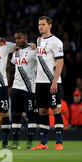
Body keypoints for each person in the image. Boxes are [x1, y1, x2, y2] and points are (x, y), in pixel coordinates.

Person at [31, 16, 65, 150]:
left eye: (43, 24)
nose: (40, 27)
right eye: (39, 25)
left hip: (52, 82)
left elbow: (60, 62)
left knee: (56, 110)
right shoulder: (39, 40)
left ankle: (59, 142)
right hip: (40, 83)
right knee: (43, 111)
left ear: (50, 26)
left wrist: (55, 82)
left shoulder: (56, 42)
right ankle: (43, 143)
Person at [9, 29, 38, 149]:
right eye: (15, 38)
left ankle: (30, 143)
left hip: (29, 88)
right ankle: (15, 143)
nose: (16, 40)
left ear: (25, 38)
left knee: (31, 115)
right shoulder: (16, 52)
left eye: (18, 38)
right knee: (16, 114)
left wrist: (35, 44)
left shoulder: (34, 51)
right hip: (16, 88)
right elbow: (11, 66)